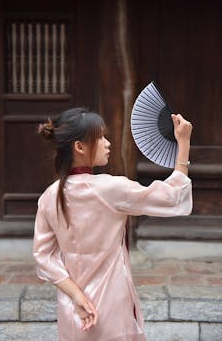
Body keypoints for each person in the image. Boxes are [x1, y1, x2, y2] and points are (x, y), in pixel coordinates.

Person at [33, 107, 193, 341]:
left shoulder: (49, 196)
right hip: (111, 303)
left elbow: (43, 257)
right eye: (100, 137)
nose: (107, 143)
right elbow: (173, 197)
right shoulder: (111, 188)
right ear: (79, 146)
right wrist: (184, 145)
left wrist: (77, 296)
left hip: (73, 306)